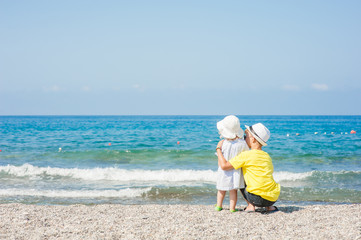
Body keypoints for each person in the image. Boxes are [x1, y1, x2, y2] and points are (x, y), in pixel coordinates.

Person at [216, 123, 280, 213]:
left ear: (253, 139)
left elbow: (224, 166)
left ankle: (250, 206)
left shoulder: (246, 155)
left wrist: (218, 148)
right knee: (263, 177)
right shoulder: (267, 156)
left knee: (239, 174)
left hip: (256, 199)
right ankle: (269, 207)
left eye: (246, 136)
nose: (244, 138)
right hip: (272, 198)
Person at [215, 115, 249, 212]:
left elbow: (220, 159)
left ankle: (219, 206)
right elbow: (246, 155)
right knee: (233, 190)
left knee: (221, 189)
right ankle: (232, 208)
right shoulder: (242, 143)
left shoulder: (223, 143)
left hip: (223, 171)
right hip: (236, 171)